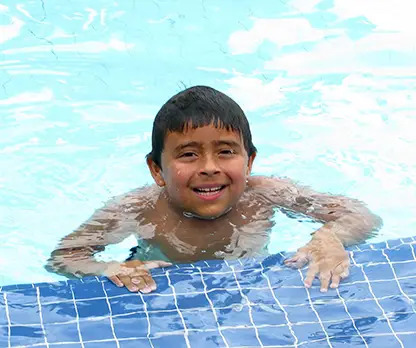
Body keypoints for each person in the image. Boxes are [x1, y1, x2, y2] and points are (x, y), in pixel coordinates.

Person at [46, 86, 381, 293]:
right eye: (189, 154)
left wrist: (329, 237)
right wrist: (108, 268)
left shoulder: (264, 193)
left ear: (248, 162)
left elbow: (360, 215)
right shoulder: (137, 208)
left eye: (225, 151)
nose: (209, 166)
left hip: (247, 282)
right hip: (160, 285)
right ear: (157, 170)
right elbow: (65, 257)